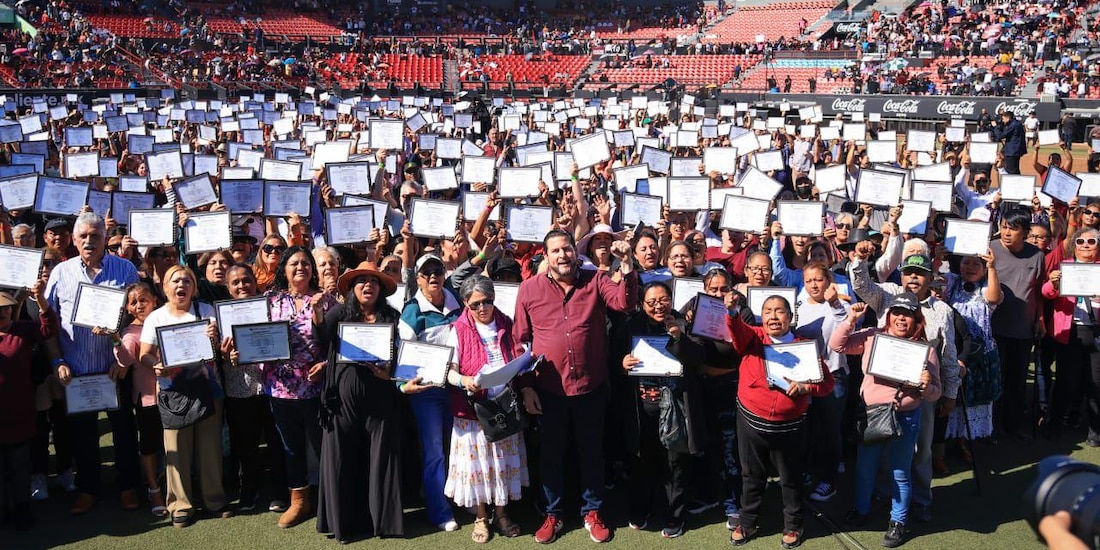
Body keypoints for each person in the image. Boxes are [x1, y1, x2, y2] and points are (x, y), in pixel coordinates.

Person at [513, 229, 637, 544]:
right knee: (552, 454)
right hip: (548, 390)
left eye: (566, 249)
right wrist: (526, 387)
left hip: (591, 387)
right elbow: (520, 342)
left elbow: (624, 302)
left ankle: (592, 512)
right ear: (546, 255)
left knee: (592, 452)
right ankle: (553, 514)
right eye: (555, 251)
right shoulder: (529, 290)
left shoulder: (595, 280)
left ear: (574, 251)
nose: (563, 255)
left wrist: (627, 264)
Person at [848, 252, 958, 523]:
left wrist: (949, 392)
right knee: (885, 454)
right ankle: (887, 497)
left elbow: (949, 355)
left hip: (921, 391)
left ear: (930, 279)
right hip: (883, 391)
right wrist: (860, 262)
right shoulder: (888, 296)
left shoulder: (942, 310)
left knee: (921, 452)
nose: (912, 278)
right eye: (908, 272)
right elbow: (861, 286)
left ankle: (921, 501)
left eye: (919, 274)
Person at [46, 212, 142, 515]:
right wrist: (58, 360)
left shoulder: (125, 269)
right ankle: (88, 489)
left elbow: (137, 317)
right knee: (83, 436)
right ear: (74, 240)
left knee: (124, 432)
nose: (89, 241)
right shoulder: (61, 273)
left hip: (115, 368)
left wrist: (126, 358)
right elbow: (49, 323)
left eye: (95, 235)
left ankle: (128, 486)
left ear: (105, 237)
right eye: (83, 236)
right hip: (77, 370)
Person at [830, 296, 941, 548]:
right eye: (897, 313)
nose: (901, 319)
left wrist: (926, 385)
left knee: (900, 471)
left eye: (908, 314)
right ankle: (861, 510)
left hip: (906, 417)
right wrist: (850, 320)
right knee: (865, 467)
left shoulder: (926, 349)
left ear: (916, 319)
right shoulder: (872, 336)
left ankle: (898, 521)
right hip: (872, 414)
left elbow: (936, 391)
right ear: (889, 315)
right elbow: (837, 345)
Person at [726, 294, 834, 549]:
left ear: (790, 317)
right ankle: (748, 521)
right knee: (751, 475)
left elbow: (827, 384)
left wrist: (807, 387)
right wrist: (732, 313)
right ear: (761, 317)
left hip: (791, 426)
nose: (773, 317)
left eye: (779, 311)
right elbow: (737, 331)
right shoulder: (752, 337)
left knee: (791, 477)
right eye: (768, 311)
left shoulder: (805, 346)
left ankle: (793, 525)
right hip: (751, 422)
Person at [315, 261, 404, 543]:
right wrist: (318, 316)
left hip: (380, 395)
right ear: (352, 288)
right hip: (343, 397)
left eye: (374, 281)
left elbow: (397, 354)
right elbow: (321, 340)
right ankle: (345, 524)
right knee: (342, 455)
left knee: (381, 456)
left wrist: (389, 371)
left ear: (381, 288)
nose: (368, 286)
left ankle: (381, 522)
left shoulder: (391, 315)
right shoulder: (339, 313)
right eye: (361, 281)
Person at [137, 265, 232, 527]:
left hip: (207, 388)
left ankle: (214, 499)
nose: (181, 286)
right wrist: (154, 365)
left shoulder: (206, 311)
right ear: (165, 288)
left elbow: (220, 351)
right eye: (175, 281)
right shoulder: (155, 318)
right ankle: (180, 504)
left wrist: (214, 338)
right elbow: (144, 354)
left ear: (194, 287)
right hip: (172, 390)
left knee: (209, 446)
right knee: (176, 450)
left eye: (187, 281)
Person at [614, 281, 704, 539]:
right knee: (642, 459)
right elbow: (613, 361)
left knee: (675, 463)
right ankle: (640, 510)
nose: (658, 306)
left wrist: (678, 336)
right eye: (651, 302)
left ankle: (674, 516)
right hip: (642, 405)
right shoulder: (631, 326)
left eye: (663, 299)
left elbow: (698, 358)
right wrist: (622, 363)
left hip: (676, 405)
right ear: (642, 304)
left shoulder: (683, 323)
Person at [443, 275, 529, 543]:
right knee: (477, 466)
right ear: (465, 303)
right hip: (473, 410)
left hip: (504, 404)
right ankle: (481, 516)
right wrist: (464, 380)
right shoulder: (456, 329)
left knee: (502, 463)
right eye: (476, 304)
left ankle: (502, 513)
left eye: (487, 302)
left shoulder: (507, 323)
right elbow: (449, 371)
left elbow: (519, 356)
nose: (483, 308)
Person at [261, 246, 339, 528]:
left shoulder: (325, 300)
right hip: (280, 387)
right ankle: (299, 501)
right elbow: (257, 339)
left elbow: (337, 344)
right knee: (291, 446)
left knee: (321, 446)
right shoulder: (270, 300)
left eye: (306, 263)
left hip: (315, 386)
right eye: (294, 263)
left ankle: (328, 500)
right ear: (284, 269)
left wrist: (327, 367)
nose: (301, 268)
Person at [397, 253, 463, 532]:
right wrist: (402, 384)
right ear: (419, 279)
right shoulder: (412, 310)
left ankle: (463, 498)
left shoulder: (457, 301)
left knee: (461, 446)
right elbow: (402, 355)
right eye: (426, 273)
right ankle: (439, 510)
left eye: (437, 270)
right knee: (435, 450)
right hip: (428, 391)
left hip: (458, 387)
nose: (433, 276)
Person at [221, 264, 287, 513]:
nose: (242, 286)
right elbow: (216, 355)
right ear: (227, 287)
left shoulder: (269, 309)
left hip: (272, 385)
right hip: (240, 387)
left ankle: (279, 491)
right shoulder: (221, 316)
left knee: (275, 440)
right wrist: (224, 354)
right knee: (246, 443)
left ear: (255, 282)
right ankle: (248, 489)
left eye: (246, 281)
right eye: (235, 282)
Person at [0, 285, 57, 531]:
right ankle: (3, 508)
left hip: (19, 409)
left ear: (12, 311)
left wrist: (40, 299)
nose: (0, 314)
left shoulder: (23, 330)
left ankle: (22, 507)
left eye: (4, 310)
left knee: (20, 463)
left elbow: (48, 328)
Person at [795, 263, 850, 503]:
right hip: (806, 376)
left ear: (828, 280)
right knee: (806, 427)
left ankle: (830, 479)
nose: (814, 285)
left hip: (833, 375)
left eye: (818, 279)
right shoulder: (798, 306)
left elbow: (845, 324)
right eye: (808, 281)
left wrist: (835, 302)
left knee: (830, 429)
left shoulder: (840, 304)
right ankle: (806, 470)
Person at [989, 206, 1046, 440]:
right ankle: (992, 425)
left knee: (1017, 380)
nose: (1006, 233)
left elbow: (1039, 292)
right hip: (994, 328)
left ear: (1024, 232)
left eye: (1012, 229)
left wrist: (1040, 318)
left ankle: (1013, 424)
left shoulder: (1037, 255)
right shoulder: (990, 250)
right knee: (995, 380)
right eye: (1003, 227)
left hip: (1023, 329)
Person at [112, 281, 167, 517]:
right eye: (133, 302)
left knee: (173, 445)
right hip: (148, 400)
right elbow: (123, 360)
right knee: (150, 445)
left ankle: (175, 488)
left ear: (155, 299)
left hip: (174, 394)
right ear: (127, 308)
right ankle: (154, 488)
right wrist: (114, 336)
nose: (138, 305)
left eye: (143, 299)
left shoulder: (168, 320)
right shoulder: (130, 332)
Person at [1042, 228, 1100, 446]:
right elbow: (1047, 293)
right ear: (1075, 245)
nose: (1085, 245)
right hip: (1071, 331)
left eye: (1091, 241)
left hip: (1096, 330)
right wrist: (1054, 282)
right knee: (1065, 381)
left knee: (1097, 383)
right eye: (1081, 241)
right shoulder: (1064, 265)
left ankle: (1095, 431)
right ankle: (1054, 426)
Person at [943, 251, 1003, 446]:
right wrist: (937, 259)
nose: (969, 267)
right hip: (955, 351)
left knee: (974, 399)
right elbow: (934, 280)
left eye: (976, 264)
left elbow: (994, 299)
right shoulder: (952, 282)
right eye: (966, 263)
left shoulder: (987, 286)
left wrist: (992, 267)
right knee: (953, 396)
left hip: (981, 353)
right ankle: (950, 438)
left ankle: (966, 440)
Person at [993, 110, 1026, 175]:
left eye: (1003, 119)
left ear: (1007, 118)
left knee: (1012, 171)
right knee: (1014, 169)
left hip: (1012, 152)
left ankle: (1014, 183)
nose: (1002, 121)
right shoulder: (1017, 123)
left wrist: (995, 127)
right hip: (1016, 151)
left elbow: (1001, 136)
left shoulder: (1013, 125)